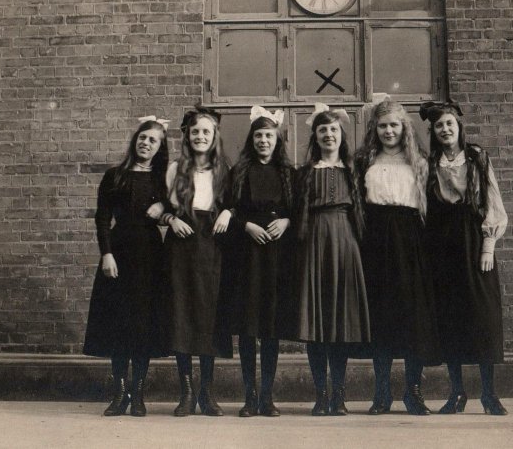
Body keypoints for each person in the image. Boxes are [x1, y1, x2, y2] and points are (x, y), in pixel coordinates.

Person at [420, 101, 509, 416]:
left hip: (473, 241)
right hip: (442, 246)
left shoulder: (476, 157)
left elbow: (492, 201)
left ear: (458, 127)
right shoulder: (430, 163)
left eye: (449, 124)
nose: (445, 130)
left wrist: (488, 245)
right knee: (450, 316)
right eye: (439, 126)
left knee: (482, 315)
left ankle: (489, 393)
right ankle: (457, 392)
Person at [353, 97, 441, 416]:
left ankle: (413, 392)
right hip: (375, 240)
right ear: (374, 129)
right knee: (382, 316)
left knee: (412, 317)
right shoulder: (365, 160)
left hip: (410, 239)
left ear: (404, 127)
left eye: (394, 125)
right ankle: (382, 393)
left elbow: (431, 208)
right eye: (382, 125)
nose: (388, 131)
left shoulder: (418, 161)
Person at [83, 116, 170, 417]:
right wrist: (106, 254)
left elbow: (182, 204)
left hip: (150, 255)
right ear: (135, 140)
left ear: (160, 148)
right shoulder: (115, 176)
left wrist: (166, 208)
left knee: (142, 324)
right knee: (119, 323)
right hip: (119, 251)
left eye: (153, 141)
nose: (146, 143)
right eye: (143, 138)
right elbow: (103, 218)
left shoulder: (162, 180)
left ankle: (139, 394)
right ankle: (120, 392)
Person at [290, 103, 370, 416]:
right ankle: (320, 395)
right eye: (322, 130)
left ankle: (339, 394)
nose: (328, 134)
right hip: (314, 244)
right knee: (317, 322)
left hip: (346, 244)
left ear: (342, 135)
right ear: (315, 136)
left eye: (333, 129)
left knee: (340, 321)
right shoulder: (305, 173)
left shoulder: (353, 171)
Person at [159, 105, 233, 417]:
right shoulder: (176, 169)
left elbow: (236, 204)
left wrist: (229, 211)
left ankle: (207, 391)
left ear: (214, 136)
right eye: (195, 132)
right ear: (187, 137)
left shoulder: (224, 171)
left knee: (208, 316)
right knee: (182, 314)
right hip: (181, 246)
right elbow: (160, 206)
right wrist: (170, 220)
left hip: (212, 247)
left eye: (206, 131)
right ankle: (186, 392)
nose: (200, 136)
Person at [224, 106, 294, 417]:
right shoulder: (238, 172)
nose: (264, 141)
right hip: (247, 256)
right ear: (251, 140)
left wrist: (287, 222)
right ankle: (249, 397)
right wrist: (246, 226)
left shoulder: (289, 174)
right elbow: (228, 210)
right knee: (249, 328)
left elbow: (300, 210)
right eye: (259, 136)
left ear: (278, 140)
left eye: (269, 135)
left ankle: (267, 396)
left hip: (277, 258)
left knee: (270, 328)